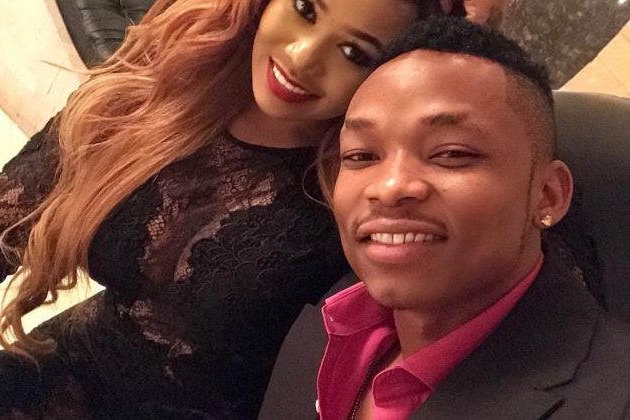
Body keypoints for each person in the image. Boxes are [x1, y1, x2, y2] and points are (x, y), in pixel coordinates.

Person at [0, 0, 476, 418]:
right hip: (62, 369)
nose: (302, 57)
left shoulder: (362, 199)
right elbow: (4, 222)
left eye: (354, 52)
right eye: (305, 9)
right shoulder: (158, 87)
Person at [259, 17, 630, 419]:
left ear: (548, 195)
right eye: (361, 156)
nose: (390, 186)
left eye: (451, 153)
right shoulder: (331, 320)